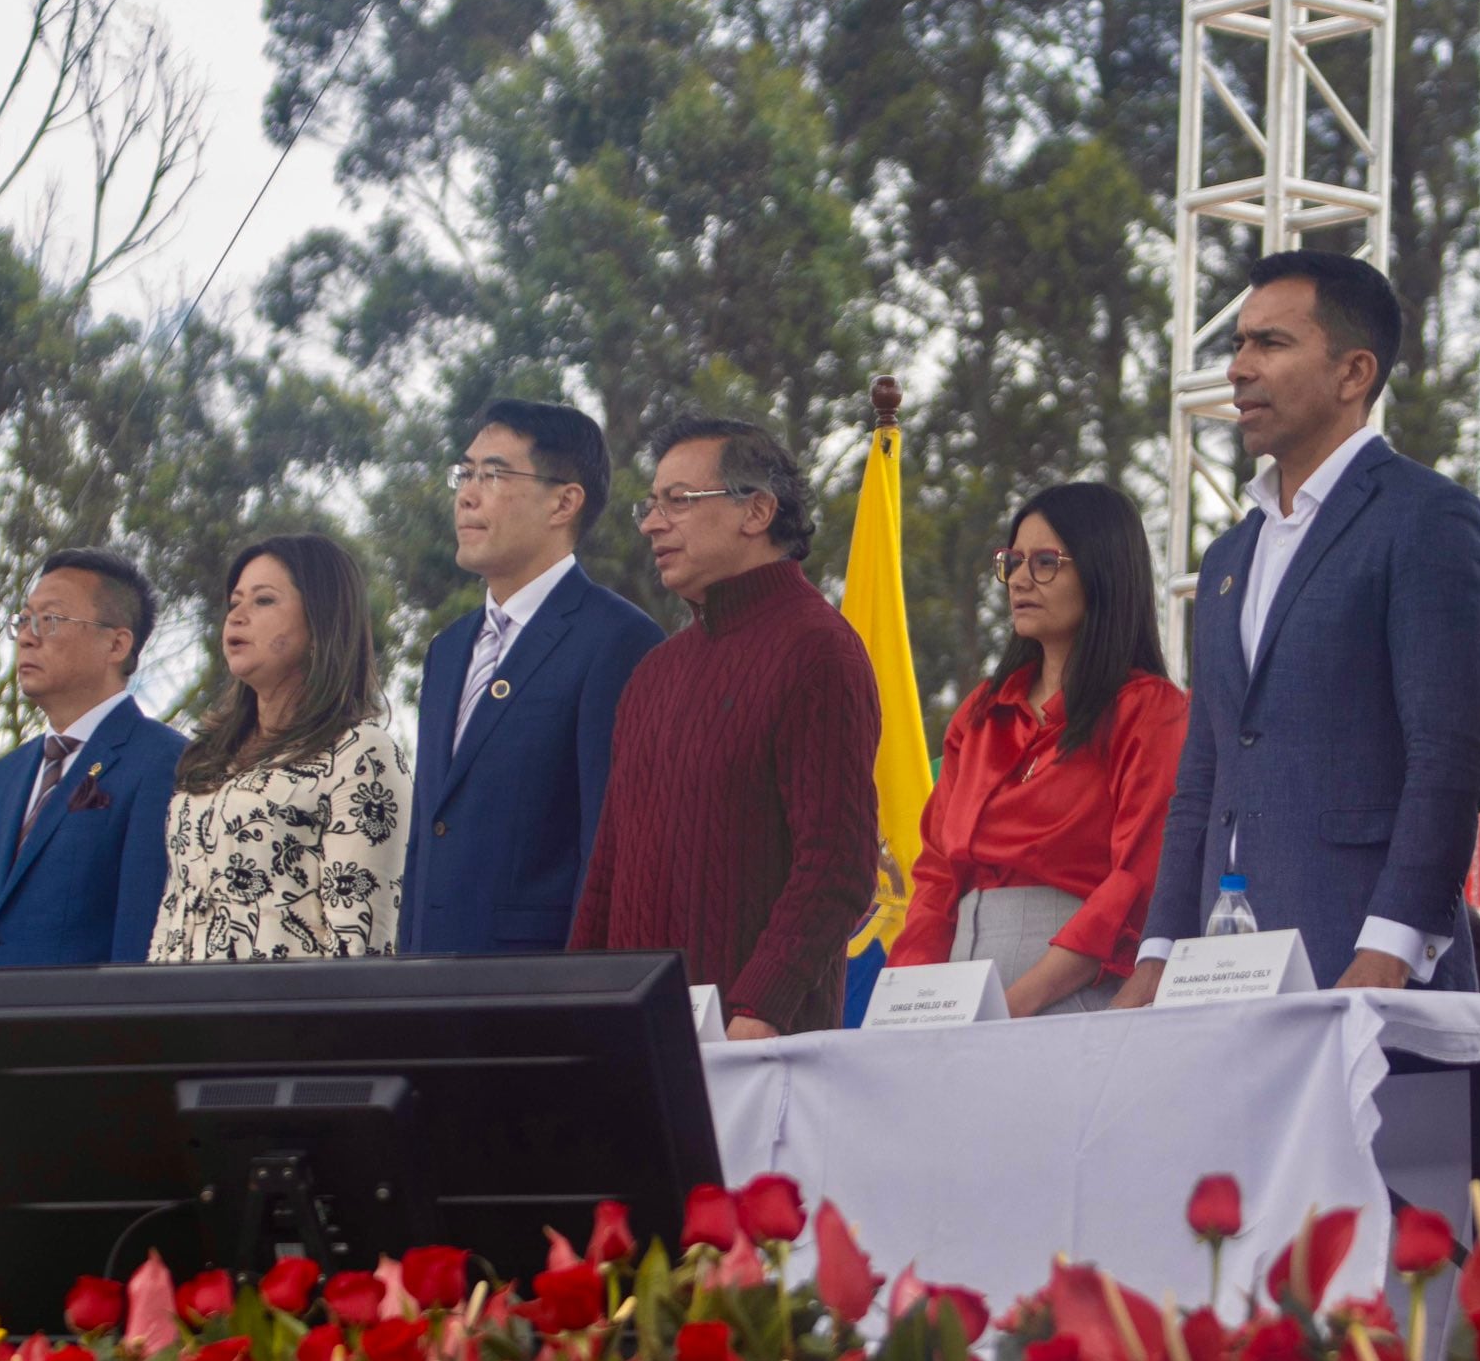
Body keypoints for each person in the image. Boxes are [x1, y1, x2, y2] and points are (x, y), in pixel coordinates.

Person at [1116, 250, 1480, 1002]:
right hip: (1219, 974)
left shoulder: (1426, 519)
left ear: (1353, 373)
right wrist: (1158, 951)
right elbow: (1202, 776)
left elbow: (1449, 756)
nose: (1238, 368)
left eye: (1271, 343)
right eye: (1237, 343)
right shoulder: (1229, 553)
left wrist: (1390, 944)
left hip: (1364, 962)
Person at [569, 416, 879, 1037]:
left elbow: (836, 865)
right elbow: (607, 872)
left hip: (758, 1054)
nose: (654, 524)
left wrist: (759, 1011)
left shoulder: (819, 650)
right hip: (641, 1048)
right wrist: (580, 1013)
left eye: (678, 502)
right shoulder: (654, 674)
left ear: (757, 511)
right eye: (651, 506)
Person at [885, 482, 1188, 1015]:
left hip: (1072, 985)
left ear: (1103, 573)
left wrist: (1013, 1005)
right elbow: (936, 876)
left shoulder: (1149, 711)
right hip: (958, 987)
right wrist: (907, 1001)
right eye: (1014, 561)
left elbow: (1138, 881)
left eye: (1046, 562)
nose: (1021, 579)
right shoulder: (981, 714)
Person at [401, 399, 663, 953]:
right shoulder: (447, 651)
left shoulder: (616, 640)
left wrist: (582, 996)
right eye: (465, 473)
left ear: (564, 502)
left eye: (493, 475)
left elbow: (609, 847)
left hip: (537, 994)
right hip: (429, 990)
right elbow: (427, 840)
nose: (467, 494)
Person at [151, 533, 412, 961]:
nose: (236, 616)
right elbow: (171, 912)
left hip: (280, 1020)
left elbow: (360, 948)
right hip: (176, 1015)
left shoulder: (361, 753)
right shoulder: (212, 753)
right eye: (234, 602)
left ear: (320, 623)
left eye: (263, 601)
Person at [0, 549, 186, 967]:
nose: (27, 636)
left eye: (51, 620)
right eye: (24, 620)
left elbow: (139, 943)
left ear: (116, 644)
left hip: (83, 1031)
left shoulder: (162, 762)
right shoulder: (0, 779)